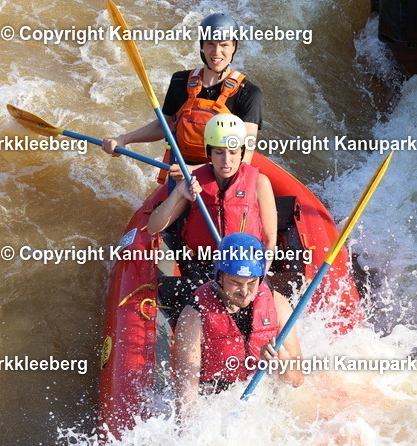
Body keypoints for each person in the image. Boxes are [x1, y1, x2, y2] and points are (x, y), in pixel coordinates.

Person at [101, 13, 262, 178]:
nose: (217, 52)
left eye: (224, 45)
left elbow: (245, 155)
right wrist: (123, 139)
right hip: (181, 172)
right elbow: (164, 126)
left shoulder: (248, 93)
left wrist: (194, 172)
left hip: (222, 178)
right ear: (201, 46)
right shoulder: (180, 80)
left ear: (234, 46)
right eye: (210, 44)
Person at [173, 233, 303, 409]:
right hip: (216, 405)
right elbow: (186, 398)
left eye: (251, 283)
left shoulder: (278, 304)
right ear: (220, 277)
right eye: (235, 282)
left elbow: (297, 380)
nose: (244, 292)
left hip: (264, 402)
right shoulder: (193, 317)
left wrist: (282, 361)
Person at [146, 113, 276, 252]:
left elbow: (270, 241)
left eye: (233, 152)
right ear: (209, 154)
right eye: (219, 152)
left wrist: (262, 271)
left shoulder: (259, 182)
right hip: (202, 263)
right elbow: (152, 228)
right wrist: (178, 192)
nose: (226, 160)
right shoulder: (194, 182)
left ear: (241, 153)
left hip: (244, 263)